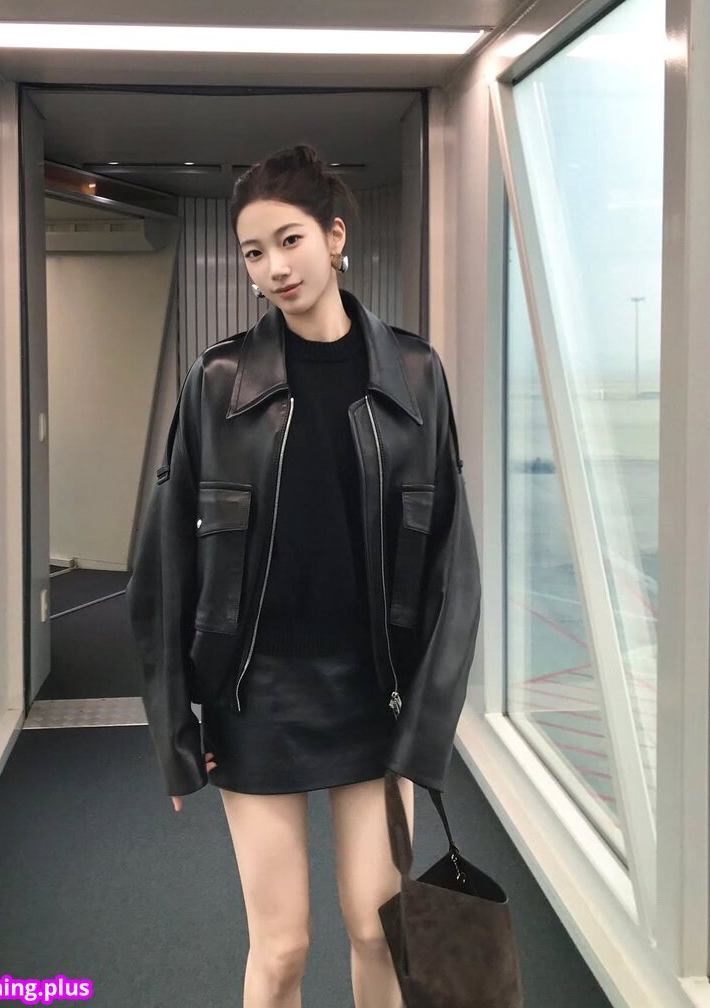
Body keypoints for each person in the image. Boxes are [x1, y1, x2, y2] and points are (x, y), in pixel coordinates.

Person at [126, 143, 481, 1008]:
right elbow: (165, 565)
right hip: (256, 700)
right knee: (282, 949)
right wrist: (175, 730)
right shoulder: (218, 382)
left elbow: (453, 568)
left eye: (289, 241)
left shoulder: (417, 375)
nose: (274, 268)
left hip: (374, 695)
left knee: (379, 928)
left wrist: (427, 726)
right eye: (254, 252)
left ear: (335, 237)